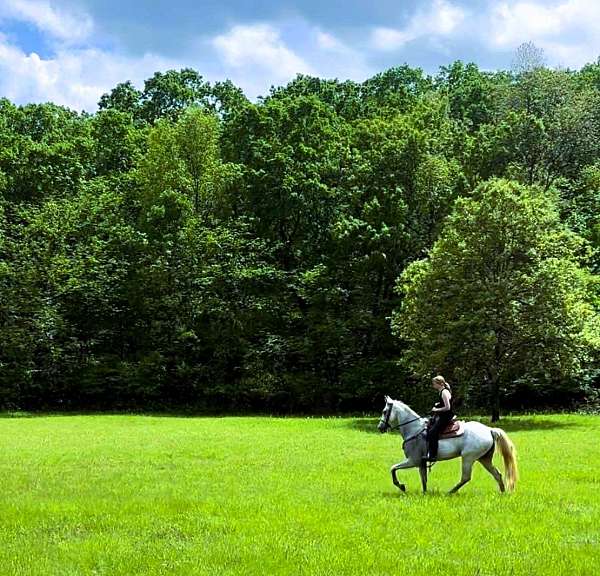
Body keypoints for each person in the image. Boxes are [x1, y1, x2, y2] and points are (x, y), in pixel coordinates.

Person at [426, 375, 455, 463]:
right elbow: (445, 402)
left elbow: (447, 407)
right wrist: (438, 403)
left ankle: (433, 455)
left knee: (432, 432)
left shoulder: (444, 392)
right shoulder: (442, 391)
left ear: (440, 384)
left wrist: (436, 409)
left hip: (446, 416)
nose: (433, 385)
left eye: (434, 383)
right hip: (444, 415)